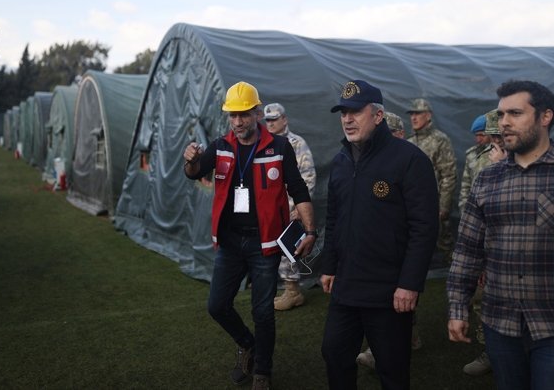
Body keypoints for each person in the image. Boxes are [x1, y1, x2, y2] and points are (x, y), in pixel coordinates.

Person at [447, 80, 554, 390]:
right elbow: (467, 249)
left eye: (515, 113)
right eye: (502, 113)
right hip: (500, 326)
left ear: (545, 117)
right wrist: (458, 306)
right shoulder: (487, 180)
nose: (504, 122)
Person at [183, 82, 316, 390]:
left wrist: (309, 230)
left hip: (264, 244)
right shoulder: (220, 146)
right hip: (230, 242)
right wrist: (189, 158)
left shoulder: (279, 147)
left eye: (243, 114)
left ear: (256, 113)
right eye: (233, 115)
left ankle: (263, 372)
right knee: (217, 306)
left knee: (263, 312)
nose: (238, 122)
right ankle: (247, 344)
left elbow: (299, 190)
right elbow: (193, 172)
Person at [321, 80, 439, 390]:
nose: (348, 119)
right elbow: (334, 218)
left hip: (389, 292)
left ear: (378, 115)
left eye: (356, 111)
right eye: (343, 112)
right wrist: (329, 265)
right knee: (334, 354)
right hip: (346, 286)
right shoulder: (341, 161)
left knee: (392, 368)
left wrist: (409, 284)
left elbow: (424, 228)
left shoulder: (410, 160)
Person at [355, 109, 413, 370]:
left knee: (399, 302)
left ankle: (392, 348)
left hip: (400, 247)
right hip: (374, 254)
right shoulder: (363, 159)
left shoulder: (410, 159)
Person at [458, 109, 507, 377]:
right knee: (483, 295)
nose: (494, 141)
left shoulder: (519, 160)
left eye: (496, 135)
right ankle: (491, 350)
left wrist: (502, 164)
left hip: (512, 244)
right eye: (492, 136)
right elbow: (470, 192)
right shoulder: (481, 157)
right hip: (485, 238)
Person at [263, 102, 317, 311]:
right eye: (267, 120)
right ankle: (286, 289)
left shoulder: (296, 143)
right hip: (271, 209)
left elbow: (308, 177)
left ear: (284, 120)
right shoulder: (264, 143)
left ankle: (293, 292)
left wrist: (298, 209)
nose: (270, 124)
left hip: (291, 209)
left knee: (289, 249)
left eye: (274, 120)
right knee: (273, 249)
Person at [406, 99, 457, 260]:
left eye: (418, 113)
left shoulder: (439, 140)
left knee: (444, 243)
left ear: (428, 116)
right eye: (412, 114)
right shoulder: (409, 143)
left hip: (433, 205)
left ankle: (457, 275)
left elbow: (448, 174)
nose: (414, 117)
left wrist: (443, 207)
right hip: (413, 205)